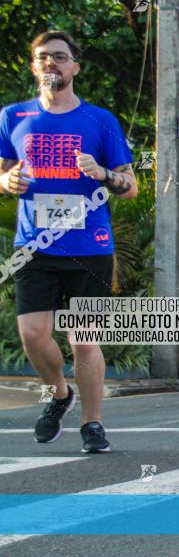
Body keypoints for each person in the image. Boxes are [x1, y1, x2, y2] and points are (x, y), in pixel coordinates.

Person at [0, 31, 138, 453]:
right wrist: (7, 180)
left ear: (75, 66)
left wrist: (102, 174)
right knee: (33, 335)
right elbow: (3, 170)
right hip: (34, 246)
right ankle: (60, 394)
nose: (51, 64)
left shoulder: (100, 121)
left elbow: (130, 185)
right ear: (33, 66)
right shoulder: (13, 117)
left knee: (83, 339)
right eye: (43, 57)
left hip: (90, 247)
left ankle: (92, 425)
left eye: (60, 58)